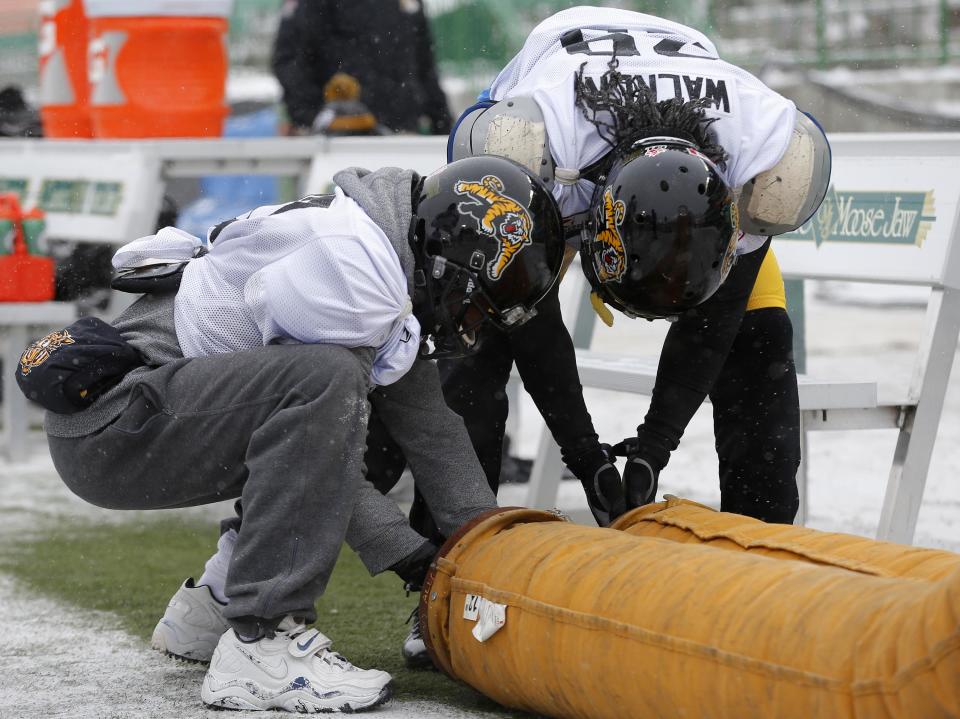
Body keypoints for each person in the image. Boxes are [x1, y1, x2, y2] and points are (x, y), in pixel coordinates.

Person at [21, 155, 565, 712]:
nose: (469, 324)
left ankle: (216, 601)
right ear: (451, 260)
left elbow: (431, 429)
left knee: (323, 392)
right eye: (473, 304)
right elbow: (314, 449)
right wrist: (418, 561)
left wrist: (492, 549)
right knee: (324, 384)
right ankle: (262, 640)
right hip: (113, 429)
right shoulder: (352, 274)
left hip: (133, 415)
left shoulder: (377, 239)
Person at [446, 6, 831, 524]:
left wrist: (652, 449)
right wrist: (584, 454)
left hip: (673, 102)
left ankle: (765, 548)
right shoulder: (532, 141)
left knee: (759, 337)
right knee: (479, 327)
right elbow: (530, 321)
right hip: (562, 108)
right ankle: (451, 545)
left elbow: (715, 326)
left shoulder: (762, 153)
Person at [271, 0, 452, 136]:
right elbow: (289, 59)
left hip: (402, 137)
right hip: (338, 144)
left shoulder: (408, 4)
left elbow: (424, 65)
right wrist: (317, 118)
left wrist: (442, 125)